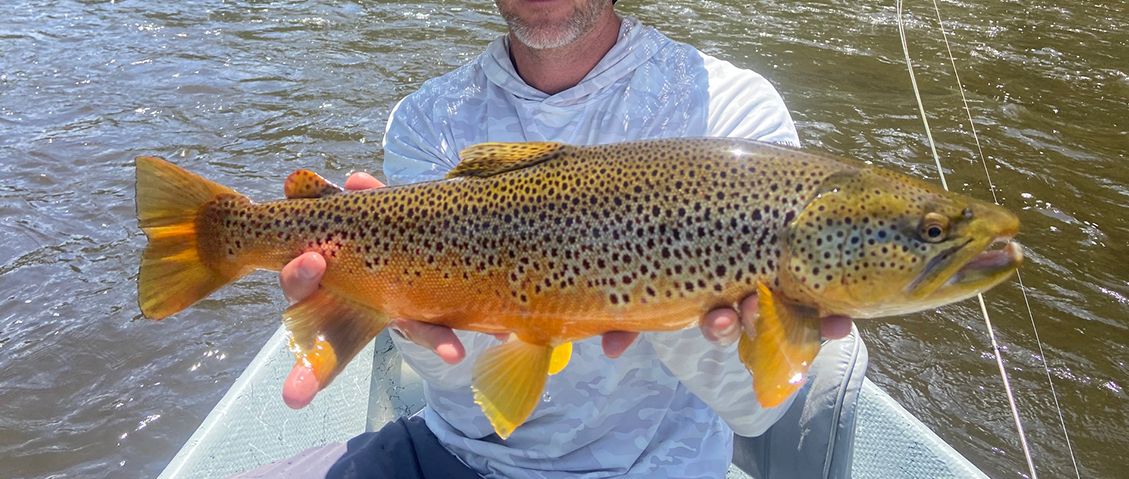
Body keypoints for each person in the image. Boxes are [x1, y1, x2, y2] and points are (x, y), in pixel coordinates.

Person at [246, 1, 855, 477]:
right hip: (456, 455)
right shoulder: (430, 118)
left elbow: (755, 409)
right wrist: (393, 310)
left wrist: (660, 295)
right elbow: (463, 382)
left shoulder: (733, 116)